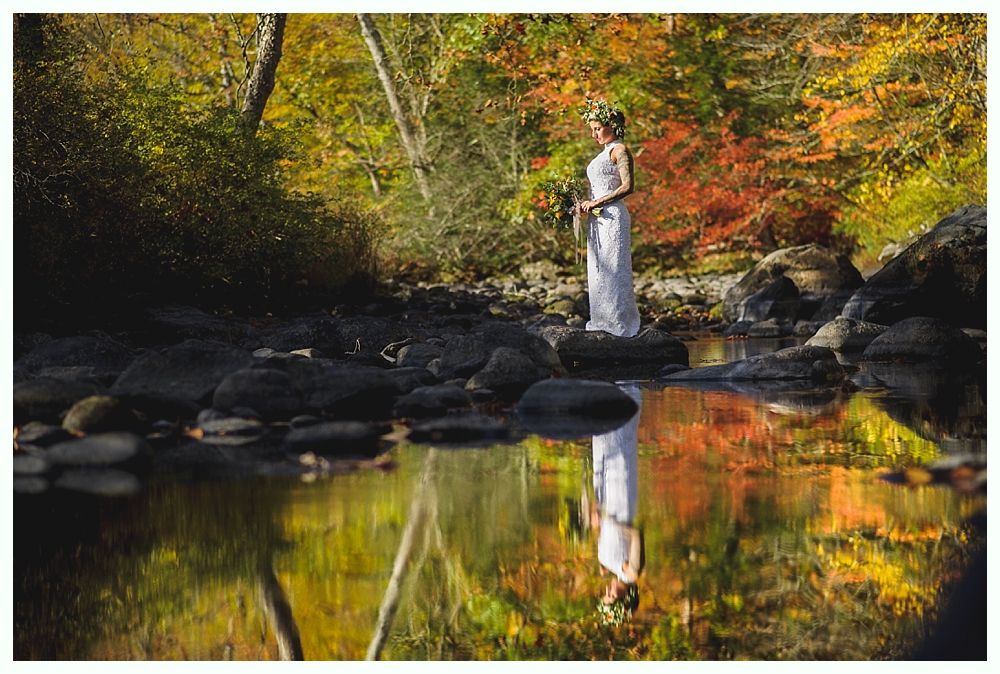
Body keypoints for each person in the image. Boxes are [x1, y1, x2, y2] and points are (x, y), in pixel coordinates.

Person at [578, 98, 642, 338]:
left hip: (613, 216)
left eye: (597, 128)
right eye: (592, 130)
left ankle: (619, 322)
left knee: (614, 268)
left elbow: (628, 186)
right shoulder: (603, 154)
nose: (594, 134)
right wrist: (580, 206)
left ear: (612, 126)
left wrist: (598, 202)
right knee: (598, 269)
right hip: (597, 218)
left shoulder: (620, 150)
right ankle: (601, 320)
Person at [590, 383, 644, 625]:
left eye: (605, 597)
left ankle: (604, 390)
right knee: (619, 450)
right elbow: (636, 535)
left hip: (604, 501)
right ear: (625, 600)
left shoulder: (609, 567)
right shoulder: (630, 572)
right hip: (621, 500)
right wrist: (612, 522)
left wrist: (596, 517)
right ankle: (627, 388)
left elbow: (605, 538)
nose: (608, 593)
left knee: (601, 444)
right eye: (612, 598)